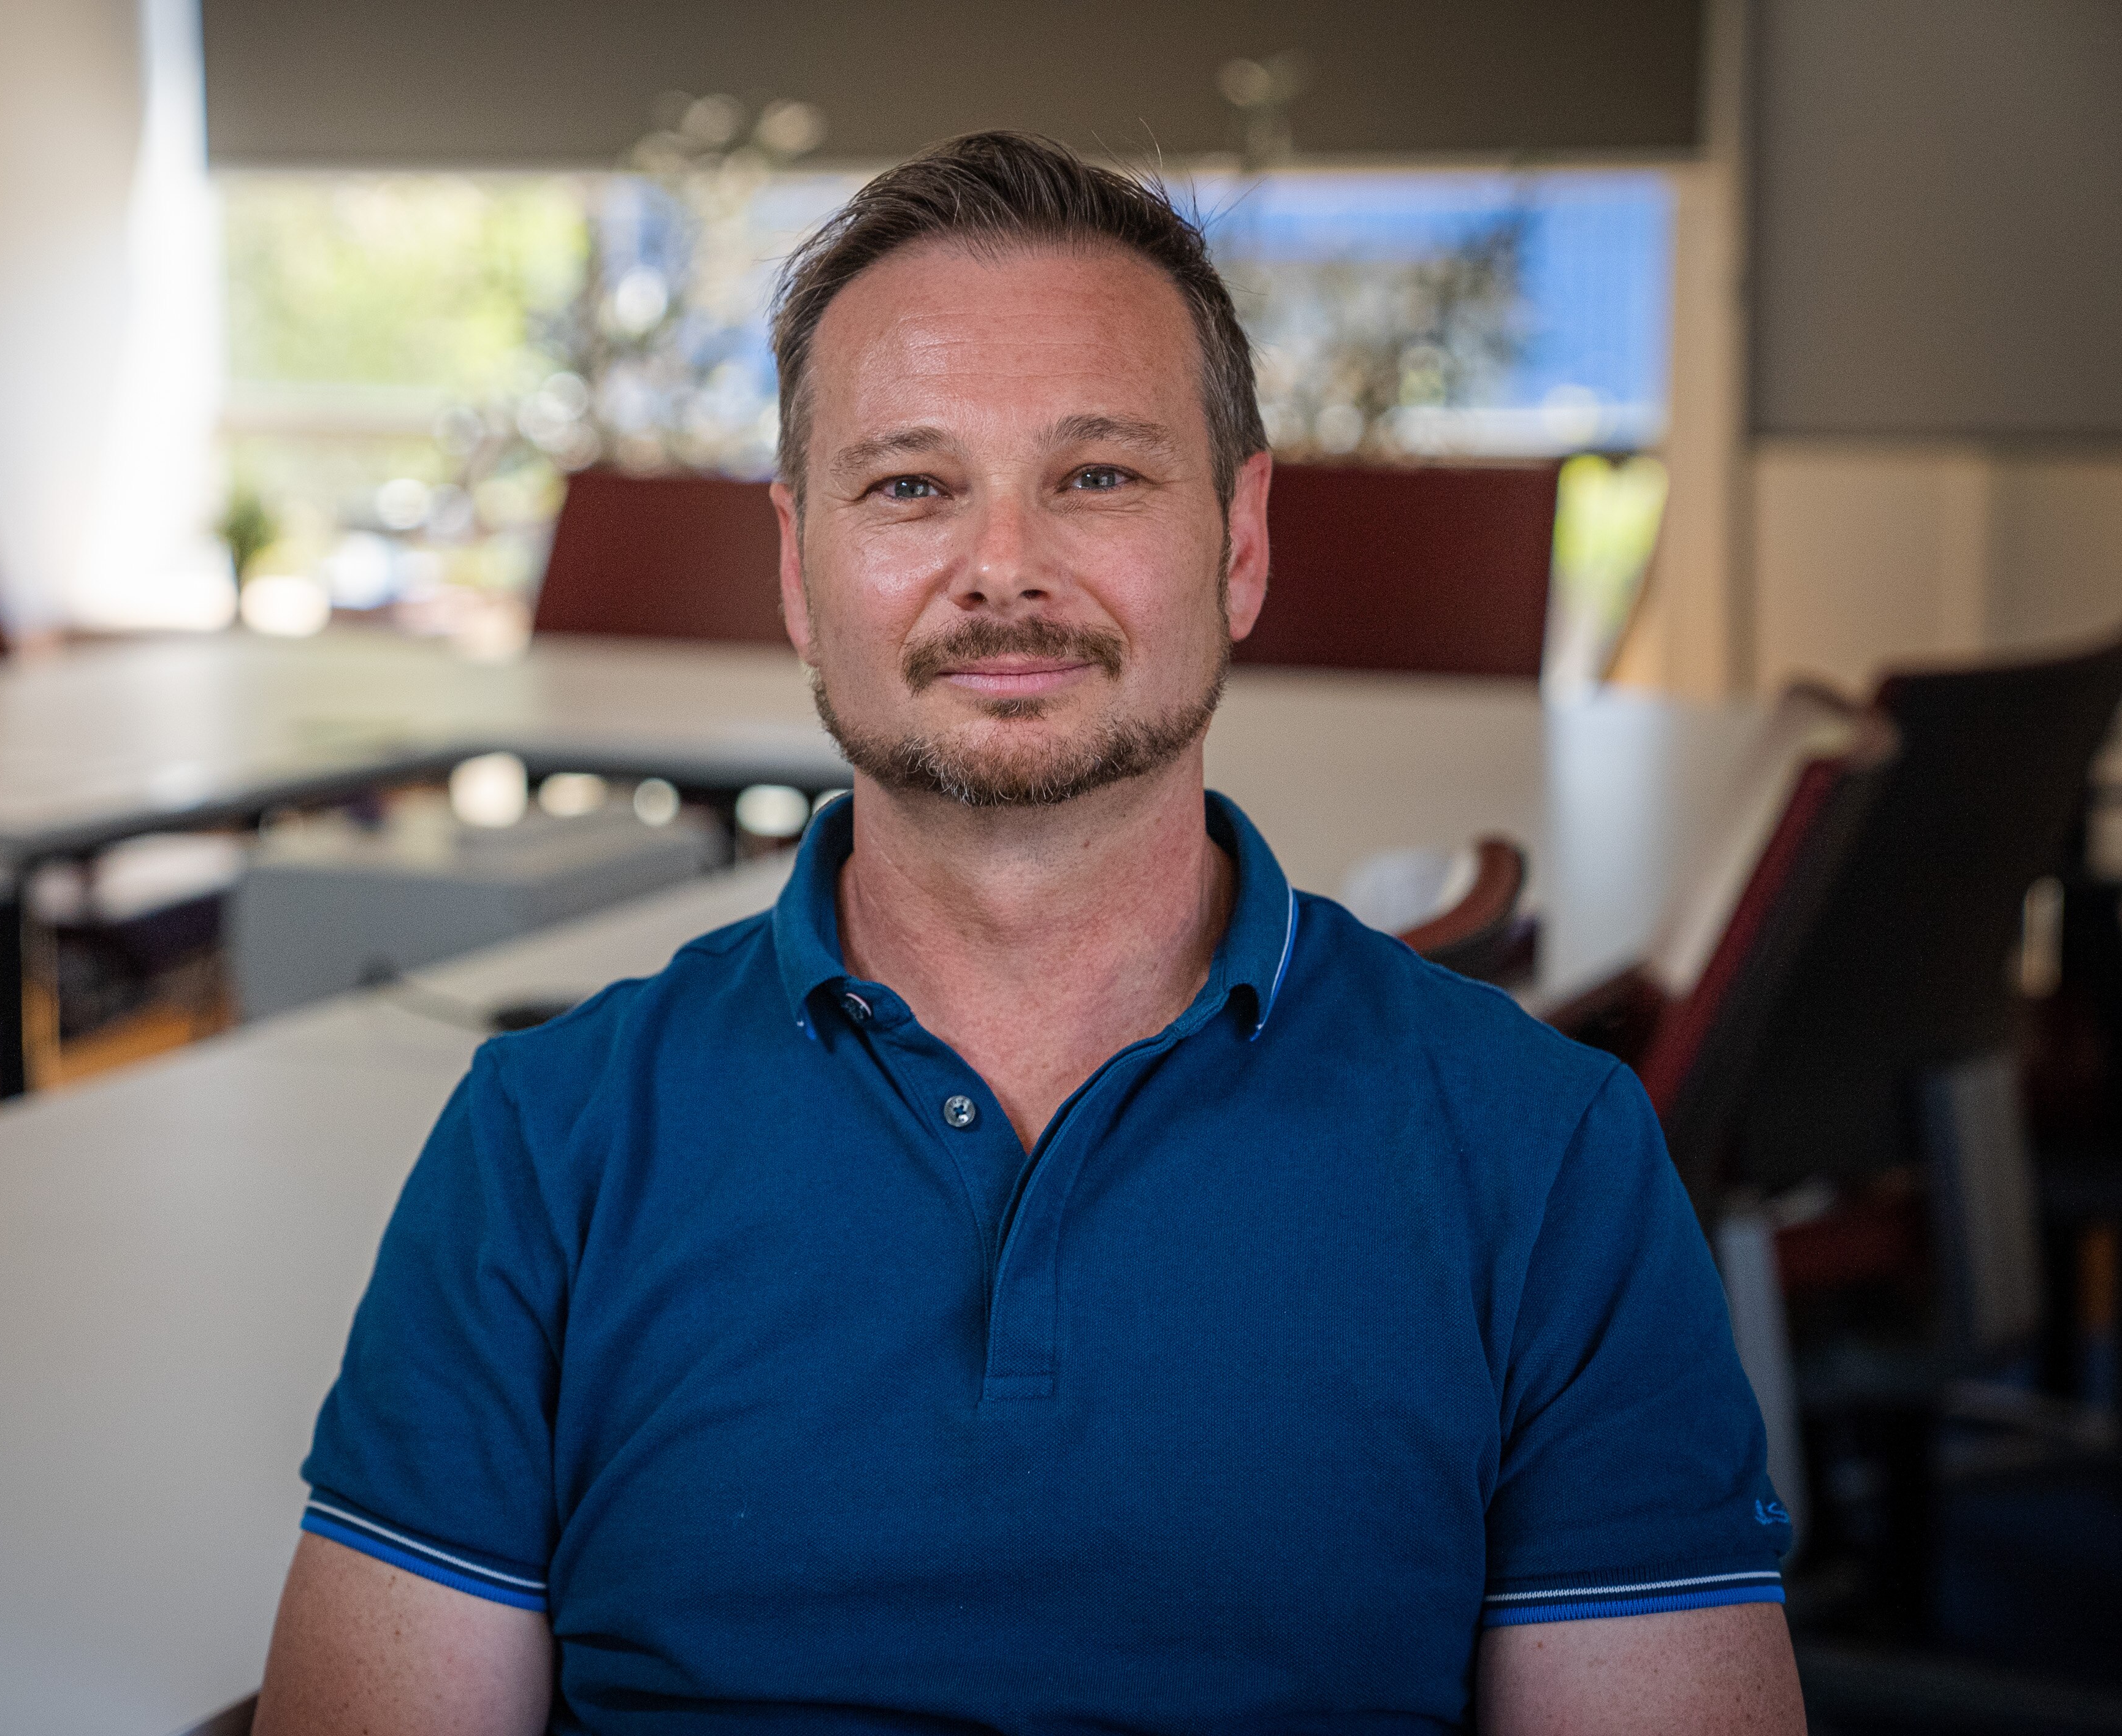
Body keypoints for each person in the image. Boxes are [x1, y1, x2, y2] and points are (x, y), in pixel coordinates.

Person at [257, 132, 1805, 1734]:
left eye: (1099, 477)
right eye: (910, 486)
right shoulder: (540, 1149)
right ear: (798, 568)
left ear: (1242, 543)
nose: (1003, 569)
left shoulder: (1544, 1156)